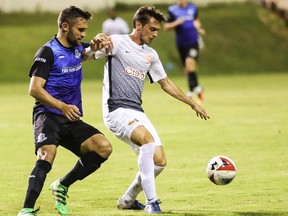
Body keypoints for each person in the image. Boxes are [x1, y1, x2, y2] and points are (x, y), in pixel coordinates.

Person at [93, 5, 210, 214]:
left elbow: (166, 83)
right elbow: (88, 53)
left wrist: (192, 103)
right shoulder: (116, 42)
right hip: (115, 109)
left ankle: (127, 200)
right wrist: (96, 40)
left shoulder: (151, 55)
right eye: (152, 29)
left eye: (157, 30)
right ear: (138, 25)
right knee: (147, 141)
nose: (156, 34)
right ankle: (152, 202)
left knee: (160, 161)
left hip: (136, 111)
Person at [17, 6, 113, 216]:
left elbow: (90, 52)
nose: (83, 34)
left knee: (103, 148)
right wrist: (61, 106)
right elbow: (34, 89)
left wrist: (100, 42)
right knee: (46, 156)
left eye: (85, 30)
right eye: (80, 29)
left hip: (71, 118)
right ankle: (26, 210)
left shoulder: (77, 47)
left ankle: (61, 185)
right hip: (49, 115)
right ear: (64, 26)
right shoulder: (48, 51)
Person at [164, 0, 206, 103]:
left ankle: (191, 91)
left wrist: (199, 28)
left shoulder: (193, 8)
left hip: (193, 42)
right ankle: (198, 87)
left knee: (189, 63)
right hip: (181, 44)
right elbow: (166, 26)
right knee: (188, 68)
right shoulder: (172, 10)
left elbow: (196, 21)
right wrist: (176, 23)